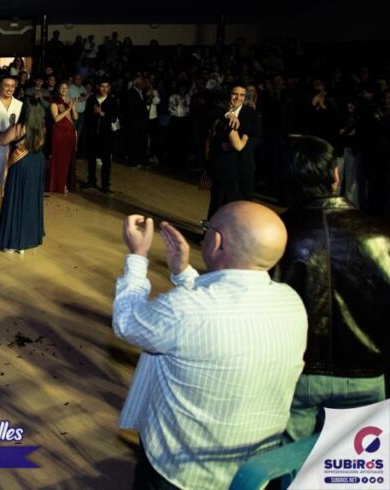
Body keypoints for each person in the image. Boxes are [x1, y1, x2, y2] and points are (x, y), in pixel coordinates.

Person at [114, 204, 306, 489]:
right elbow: (217, 308)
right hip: (250, 471)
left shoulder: (184, 309)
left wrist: (137, 256)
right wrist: (183, 272)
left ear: (217, 241)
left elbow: (127, 322)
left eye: (207, 228)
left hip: (178, 471)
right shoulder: (291, 302)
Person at [271, 136, 390, 441]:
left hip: (297, 372)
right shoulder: (381, 236)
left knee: (288, 463)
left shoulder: (275, 234)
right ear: (335, 175)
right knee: (355, 463)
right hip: (366, 372)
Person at [0, 105, 46, 253]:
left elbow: (3, 140)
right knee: (30, 200)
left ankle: (12, 242)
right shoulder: (42, 128)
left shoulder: (19, 127)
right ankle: (27, 239)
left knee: (15, 199)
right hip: (36, 163)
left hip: (21, 164)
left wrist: (9, 127)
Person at [206, 84, 260, 217]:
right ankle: (213, 228)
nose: (238, 98)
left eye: (242, 95)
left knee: (242, 203)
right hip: (222, 164)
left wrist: (239, 146)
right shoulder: (220, 110)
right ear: (229, 94)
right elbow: (207, 117)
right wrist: (227, 114)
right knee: (218, 201)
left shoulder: (251, 113)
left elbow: (258, 137)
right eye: (235, 94)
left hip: (243, 164)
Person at [84, 81, 118, 194]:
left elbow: (114, 117)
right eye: (102, 86)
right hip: (93, 134)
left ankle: (105, 185)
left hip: (106, 135)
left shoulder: (112, 101)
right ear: (98, 87)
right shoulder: (91, 99)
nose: (104, 89)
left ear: (109, 88)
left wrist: (102, 113)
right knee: (91, 158)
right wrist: (93, 114)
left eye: (106, 87)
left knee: (106, 160)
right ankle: (91, 180)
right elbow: (86, 116)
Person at [47, 81, 78, 194]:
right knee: (60, 160)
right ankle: (58, 184)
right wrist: (68, 109)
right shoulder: (54, 103)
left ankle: (65, 182)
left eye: (66, 88)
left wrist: (73, 107)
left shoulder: (70, 101)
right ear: (58, 89)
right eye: (62, 88)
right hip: (59, 134)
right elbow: (56, 119)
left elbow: (75, 117)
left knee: (68, 160)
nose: (64, 90)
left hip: (70, 133)